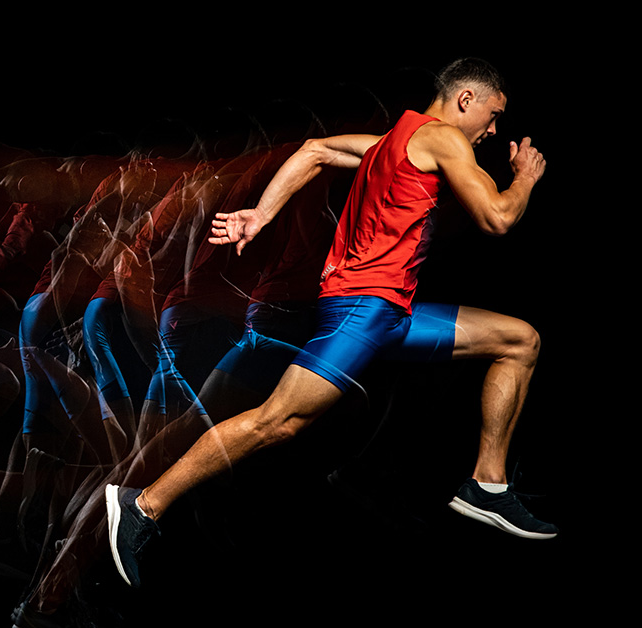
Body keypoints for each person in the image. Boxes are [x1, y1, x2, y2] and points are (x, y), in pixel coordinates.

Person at [106, 57, 554, 589]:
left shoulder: (393, 142)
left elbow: (315, 150)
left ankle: (487, 485)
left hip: (390, 314)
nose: (493, 129)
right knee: (277, 422)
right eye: (493, 114)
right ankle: (142, 504)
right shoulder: (444, 138)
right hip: (364, 311)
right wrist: (524, 178)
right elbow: (498, 217)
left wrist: (261, 214)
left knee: (519, 340)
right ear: (466, 99)